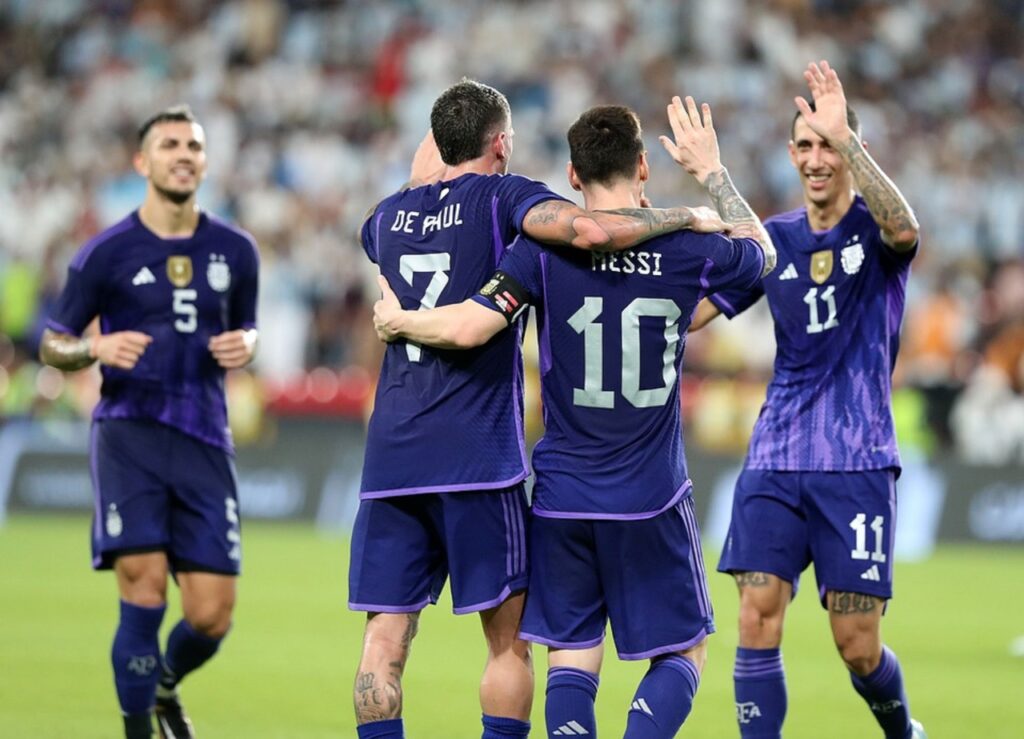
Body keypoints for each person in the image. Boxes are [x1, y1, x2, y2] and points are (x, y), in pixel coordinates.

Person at [372, 96, 774, 738]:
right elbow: (762, 253)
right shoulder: (687, 255)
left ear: (571, 175)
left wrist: (402, 320)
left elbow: (475, 323)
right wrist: (711, 175)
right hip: (651, 494)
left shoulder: (538, 254)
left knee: (571, 656)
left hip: (561, 495)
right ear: (643, 167)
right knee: (684, 652)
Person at [689, 61, 927, 738]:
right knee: (755, 613)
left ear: (850, 150)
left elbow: (906, 230)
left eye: (829, 144)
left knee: (856, 642)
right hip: (775, 456)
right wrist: (712, 177)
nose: (816, 158)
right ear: (792, 154)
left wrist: (852, 141)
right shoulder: (779, 238)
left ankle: (902, 728)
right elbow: (700, 309)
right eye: (806, 145)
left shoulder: (876, 232)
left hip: (856, 460)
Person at [39, 105, 259, 739]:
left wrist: (249, 341)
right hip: (128, 432)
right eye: (169, 144)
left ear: (206, 161)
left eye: (194, 145)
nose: (184, 154)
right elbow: (54, 343)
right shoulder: (105, 253)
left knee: (213, 615)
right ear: (143, 162)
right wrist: (94, 349)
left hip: (205, 437)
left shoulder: (236, 250)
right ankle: (138, 728)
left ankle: (162, 686)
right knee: (144, 589)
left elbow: (246, 325)